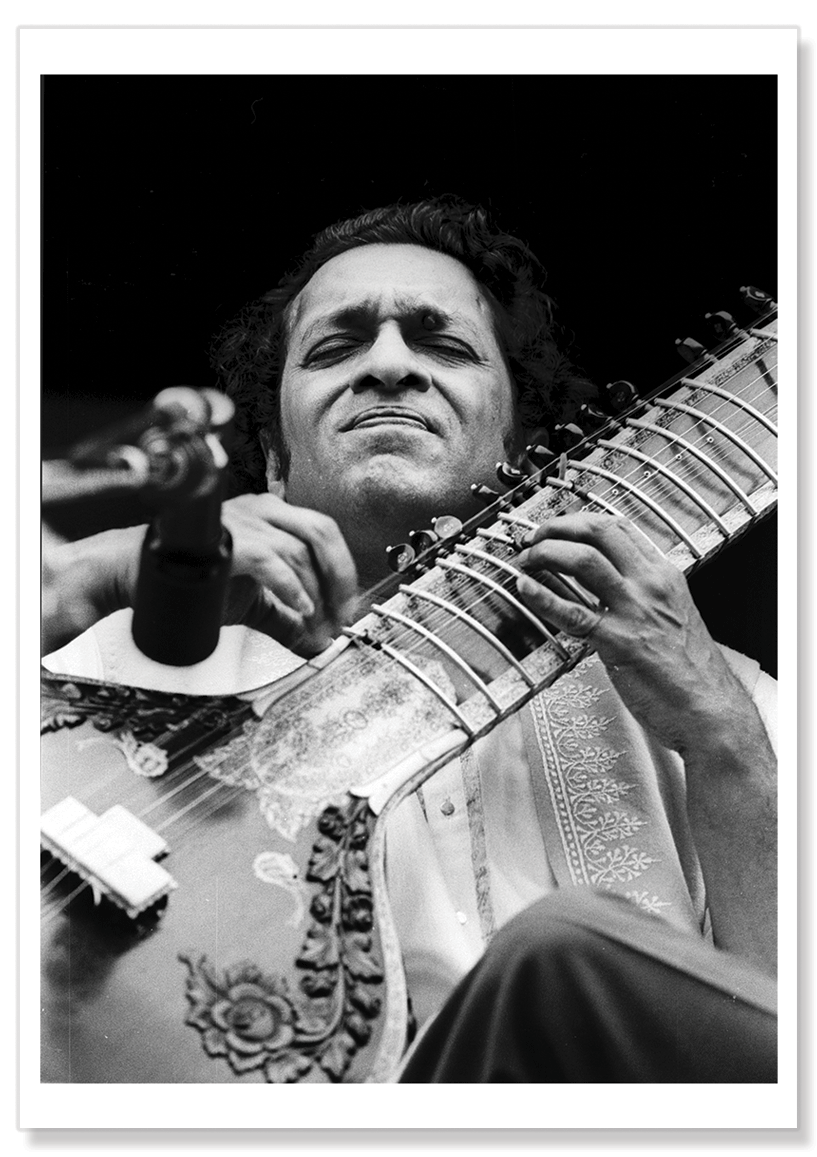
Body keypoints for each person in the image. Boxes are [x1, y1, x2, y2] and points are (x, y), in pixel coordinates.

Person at [42, 196, 777, 1082]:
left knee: (561, 958)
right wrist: (85, 578)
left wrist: (726, 740)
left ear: (525, 447)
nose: (388, 364)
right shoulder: (119, 646)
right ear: (274, 458)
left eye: (444, 345)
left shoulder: (733, 703)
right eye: (334, 347)